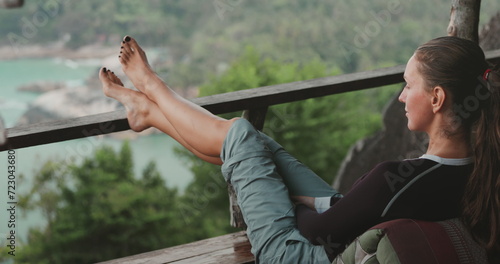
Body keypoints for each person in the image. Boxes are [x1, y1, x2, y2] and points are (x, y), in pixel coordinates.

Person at [99, 35, 499, 263]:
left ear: (437, 98)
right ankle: (147, 112)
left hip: (296, 254)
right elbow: (369, 209)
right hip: (349, 222)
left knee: (240, 133)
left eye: (408, 85)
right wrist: (305, 197)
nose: (400, 96)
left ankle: (152, 89)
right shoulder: (483, 167)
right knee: (251, 145)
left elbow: (317, 232)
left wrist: (285, 196)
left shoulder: (397, 180)